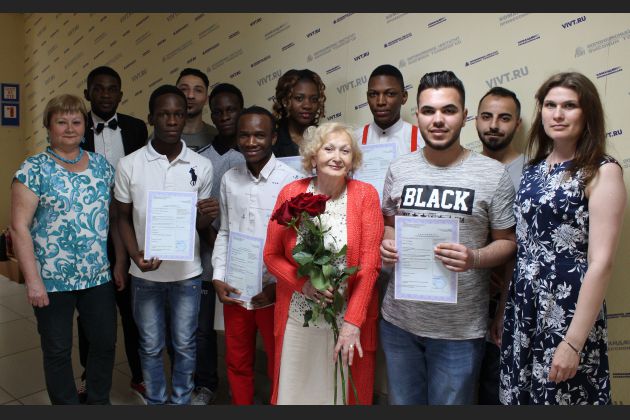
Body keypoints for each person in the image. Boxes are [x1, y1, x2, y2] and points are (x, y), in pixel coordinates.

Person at [379, 70, 517, 405]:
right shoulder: (399, 169)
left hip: (459, 331)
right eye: (429, 111)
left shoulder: (493, 174)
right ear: (417, 115)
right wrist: (387, 243)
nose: (438, 120)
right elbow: (389, 224)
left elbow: (509, 243)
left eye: (448, 110)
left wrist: (475, 257)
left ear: (464, 115)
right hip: (399, 323)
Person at [499, 72, 626, 405]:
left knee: (561, 395)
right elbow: (524, 244)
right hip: (523, 305)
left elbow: (601, 263)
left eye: (569, 106)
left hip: (567, 310)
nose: (557, 114)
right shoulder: (533, 169)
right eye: (550, 105)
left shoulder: (602, 170)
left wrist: (572, 343)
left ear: (587, 113)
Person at [264, 122, 384, 404]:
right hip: (299, 320)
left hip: (345, 322)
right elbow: (271, 256)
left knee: (339, 395)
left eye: (345, 151)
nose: (337, 157)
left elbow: (369, 267)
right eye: (328, 149)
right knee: (295, 395)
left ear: (353, 159)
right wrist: (304, 285)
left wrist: (352, 322)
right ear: (313, 156)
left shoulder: (366, 195)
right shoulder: (291, 193)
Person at [10, 94, 117, 404]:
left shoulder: (101, 166)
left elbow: (114, 216)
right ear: (48, 126)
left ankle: (98, 401)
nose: (70, 128)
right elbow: (19, 227)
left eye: (76, 121)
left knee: (104, 343)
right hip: (51, 279)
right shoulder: (33, 169)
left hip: (97, 275)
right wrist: (33, 281)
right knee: (57, 350)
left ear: (85, 126)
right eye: (61, 122)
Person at [114, 85, 214, 405]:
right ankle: (156, 402)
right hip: (145, 275)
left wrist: (206, 215)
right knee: (150, 346)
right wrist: (134, 255)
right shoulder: (129, 164)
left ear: (185, 117)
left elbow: (199, 226)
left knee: (185, 344)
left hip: (187, 273)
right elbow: (121, 217)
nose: (172, 121)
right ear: (151, 118)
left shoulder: (202, 165)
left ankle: (181, 401)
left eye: (178, 114)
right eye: (164, 114)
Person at [211, 106, 301, 405]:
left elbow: (298, 243)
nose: (251, 142)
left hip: (273, 291)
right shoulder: (229, 179)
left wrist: (280, 285)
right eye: (244, 135)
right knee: (237, 360)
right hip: (236, 288)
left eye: (259, 135)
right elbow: (225, 231)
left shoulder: (292, 181)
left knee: (279, 363)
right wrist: (218, 276)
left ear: (273, 137)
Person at [77, 65, 148, 403]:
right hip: (88, 236)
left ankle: (140, 375)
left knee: (133, 310)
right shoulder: (76, 127)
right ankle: (88, 374)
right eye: (98, 88)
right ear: (87, 93)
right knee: (90, 311)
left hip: (129, 232)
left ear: (121, 94)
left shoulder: (136, 128)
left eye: (111, 89)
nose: (105, 94)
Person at [191, 83, 247, 405]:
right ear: (211, 115)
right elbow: (192, 214)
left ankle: (242, 385)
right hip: (206, 258)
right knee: (203, 329)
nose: (225, 116)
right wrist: (213, 241)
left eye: (231, 110)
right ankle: (206, 384)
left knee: (241, 328)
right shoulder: (200, 161)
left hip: (244, 259)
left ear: (241, 111)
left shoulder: (252, 156)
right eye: (219, 111)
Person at [473, 86, 524, 404]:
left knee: (495, 389)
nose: (494, 125)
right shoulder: (463, 168)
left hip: (510, 303)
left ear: (517, 124)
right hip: (463, 301)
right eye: (487, 116)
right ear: (475, 120)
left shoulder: (532, 173)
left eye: (504, 118)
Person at [354, 64, 424, 156]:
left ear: (404, 97)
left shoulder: (422, 141)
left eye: (390, 94)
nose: (380, 102)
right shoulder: (353, 141)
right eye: (373, 94)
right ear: (367, 97)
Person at [271, 69, 326, 157]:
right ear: (285, 101)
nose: (307, 106)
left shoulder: (327, 138)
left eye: (314, 99)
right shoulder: (273, 139)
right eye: (299, 98)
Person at [176, 67, 218, 152]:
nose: (190, 95)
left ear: (207, 99)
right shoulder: (159, 137)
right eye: (184, 89)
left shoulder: (217, 137)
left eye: (198, 90)